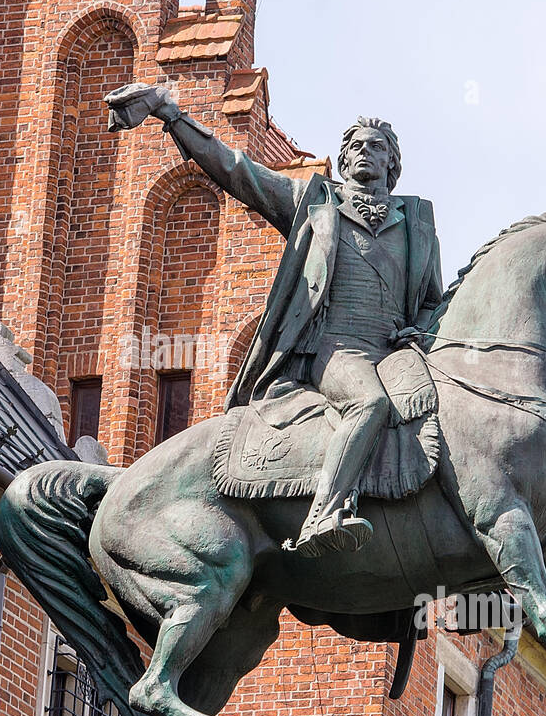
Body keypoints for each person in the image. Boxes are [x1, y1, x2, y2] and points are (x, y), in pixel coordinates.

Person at [106, 83, 443, 557]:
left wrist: (423, 328)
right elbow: (237, 171)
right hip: (336, 350)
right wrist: (172, 115)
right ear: (343, 162)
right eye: (355, 146)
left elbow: (431, 300)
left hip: (393, 352)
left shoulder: (419, 223)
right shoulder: (314, 204)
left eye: (377, 146)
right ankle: (325, 512)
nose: (365, 152)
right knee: (369, 404)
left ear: (392, 163)